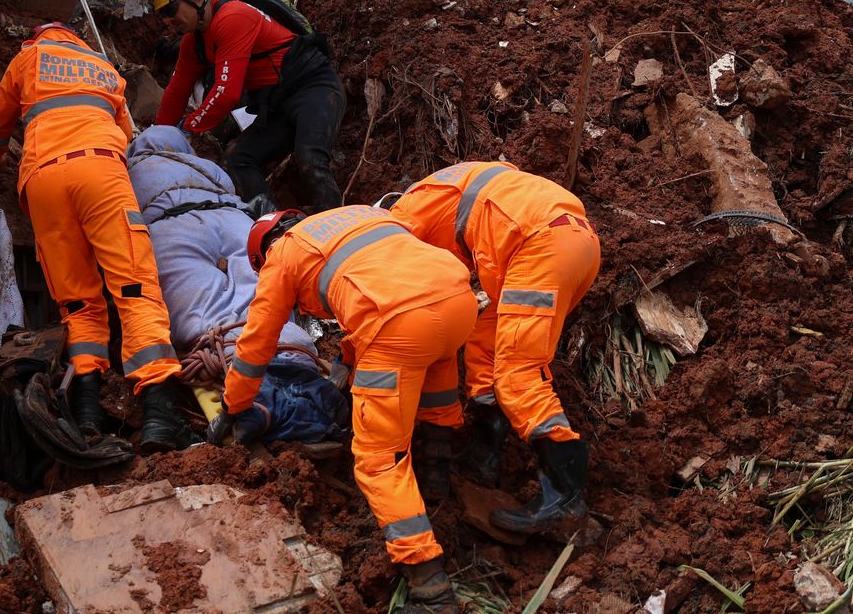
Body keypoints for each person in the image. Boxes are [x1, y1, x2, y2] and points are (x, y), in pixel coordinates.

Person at [217, 206, 477, 614]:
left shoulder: (283, 254)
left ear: (262, 253)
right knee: (436, 371)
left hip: (397, 324)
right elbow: (389, 279)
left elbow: (256, 343)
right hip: (458, 300)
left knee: (378, 458)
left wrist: (234, 405)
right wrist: (347, 360)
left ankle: (431, 588)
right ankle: (436, 475)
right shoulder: (356, 216)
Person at [0, 23, 196, 453]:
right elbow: (127, 135)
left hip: (42, 178)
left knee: (77, 302)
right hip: (100, 171)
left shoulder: (28, 58)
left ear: (37, 37)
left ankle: (88, 412)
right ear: (75, 40)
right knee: (134, 288)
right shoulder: (102, 66)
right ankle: (159, 413)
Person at [389, 161, 601, 533]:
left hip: (538, 247)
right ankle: (485, 452)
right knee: (484, 341)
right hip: (577, 242)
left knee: (518, 372)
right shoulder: (454, 183)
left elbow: (413, 293)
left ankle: (565, 497)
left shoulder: (401, 221)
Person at [126, 125, 344, 443]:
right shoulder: (207, 166)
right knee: (264, 302)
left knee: (205, 312)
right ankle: (293, 360)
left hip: (170, 227)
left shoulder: (128, 172)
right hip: (234, 221)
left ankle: (253, 385)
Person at [144, 0, 344, 214]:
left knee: (310, 158)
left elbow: (226, 93)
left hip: (314, 88)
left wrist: (187, 128)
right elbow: (176, 93)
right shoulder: (193, 44)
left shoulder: (233, 17)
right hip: (277, 106)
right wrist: (158, 140)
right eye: (162, 15)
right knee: (237, 159)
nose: (168, 21)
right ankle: (271, 225)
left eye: (170, 10)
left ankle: (339, 222)